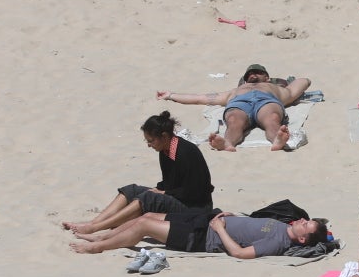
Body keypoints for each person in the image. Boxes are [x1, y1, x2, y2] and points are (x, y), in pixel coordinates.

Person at [61, 112, 215, 236]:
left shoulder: (186, 152)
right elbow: (169, 182)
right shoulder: (165, 151)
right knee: (131, 190)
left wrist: (164, 192)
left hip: (196, 207)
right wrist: (160, 189)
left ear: (165, 136)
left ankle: (97, 228)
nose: (149, 145)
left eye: (151, 140)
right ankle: (93, 223)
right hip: (179, 197)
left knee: (148, 197)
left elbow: (195, 191)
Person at [156, 64, 311, 152]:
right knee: (233, 120)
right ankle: (228, 143)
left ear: (267, 77)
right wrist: (171, 95)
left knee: (273, 119)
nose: (252, 75)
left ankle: (277, 140)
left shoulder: (274, 88)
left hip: (267, 101)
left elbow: (304, 81)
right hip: (239, 102)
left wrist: (281, 82)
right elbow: (200, 98)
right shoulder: (233, 91)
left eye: (258, 72)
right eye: (249, 74)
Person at [70, 206, 328, 256]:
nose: (302, 220)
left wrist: (219, 229)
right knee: (147, 215)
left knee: (144, 226)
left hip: (204, 237)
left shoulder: (277, 242)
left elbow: (240, 253)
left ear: (303, 237)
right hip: (209, 221)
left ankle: (96, 247)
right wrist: (228, 217)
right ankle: (101, 236)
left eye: (306, 224)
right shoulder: (284, 226)